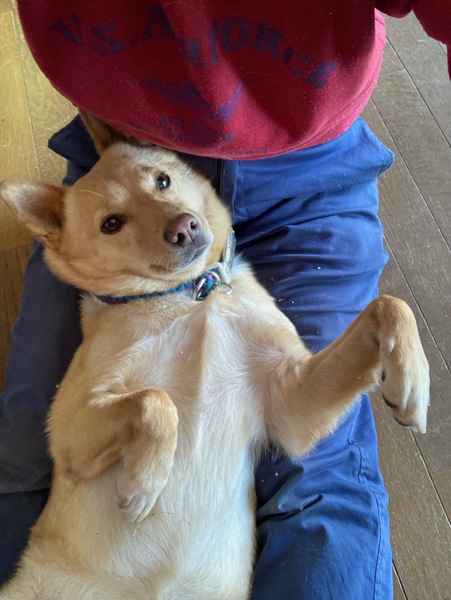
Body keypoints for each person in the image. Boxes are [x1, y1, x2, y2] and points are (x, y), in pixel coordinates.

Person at [0, 1, 449, 597]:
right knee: (23, 441)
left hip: (306, 167)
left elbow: (299, 417)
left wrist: (386, 323)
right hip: (126, 147)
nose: (177, 226)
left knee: (321, 473)